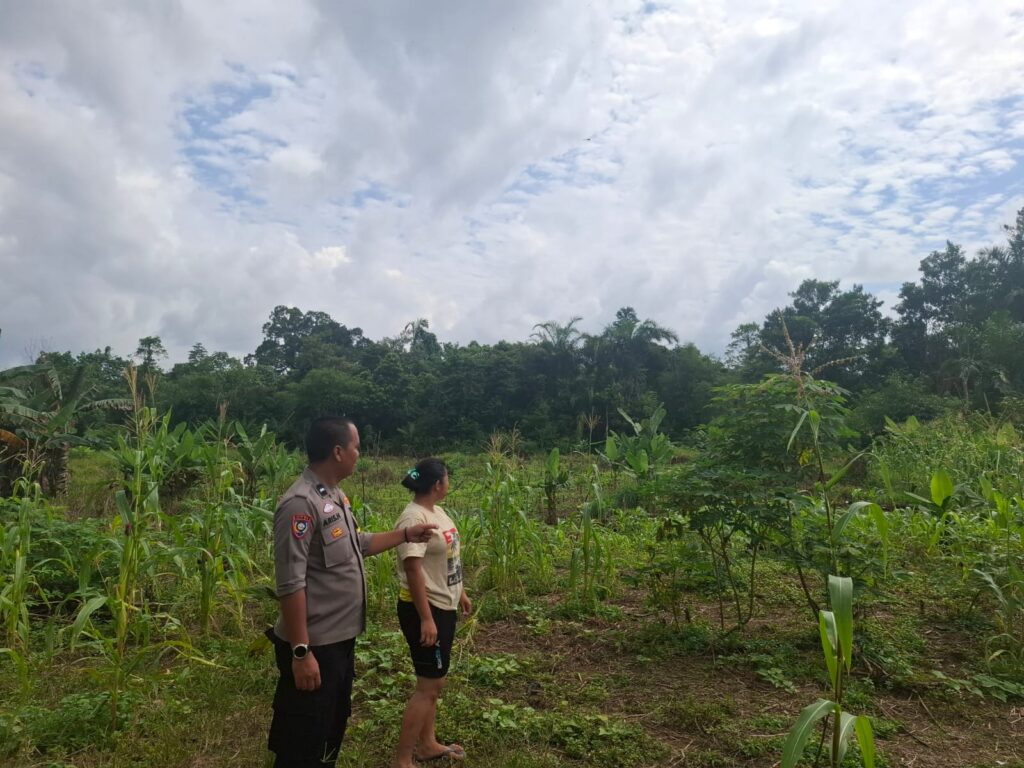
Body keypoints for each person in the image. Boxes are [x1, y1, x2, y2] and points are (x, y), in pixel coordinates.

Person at [267, 417, 436, 768]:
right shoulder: (300, 504)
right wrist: (301, 651)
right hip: (315, 644)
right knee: (303, 739)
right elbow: (291, 582)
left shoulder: (333, 496)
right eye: (356, 447)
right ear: (338, 452)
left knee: (330, 728)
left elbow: (358, 544)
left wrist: (406, 535)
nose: (360, 453)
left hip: (339, 641)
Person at [392, 458, 472, 767]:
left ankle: (427, 745)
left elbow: (447, 558)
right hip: (425, 609)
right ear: (438, 484)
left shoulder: (437, 512)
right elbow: (413, 570)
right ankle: (402, 760)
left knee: (434, 682)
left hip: (443, 605)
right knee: (428, 686)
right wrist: (426, 618)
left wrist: (460, 591)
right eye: (447, 478)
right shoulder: (413, 517)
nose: (449, 483)